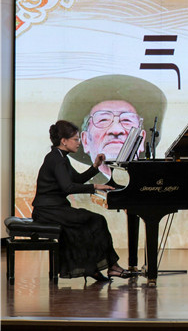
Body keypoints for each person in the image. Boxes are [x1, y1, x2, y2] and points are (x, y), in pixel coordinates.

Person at [31, 120, 131, 281]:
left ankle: (93, 268)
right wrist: (95, 187)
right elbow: (68, 187)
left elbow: (76, 179)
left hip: (54, 209)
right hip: (48, 211)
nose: (79, 143)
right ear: (64, 141)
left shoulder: (60, 157)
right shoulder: (57, 159)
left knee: (89, 222)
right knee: (97, 220)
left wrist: (95, 166)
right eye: (76, 139)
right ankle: (110, 266)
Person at [57, 75, 167, 181]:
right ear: (85, 141)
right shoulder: (80, 193)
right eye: (103, 120)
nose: (116, 130)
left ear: (142, 139)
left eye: (126, 120)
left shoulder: (155, 187)